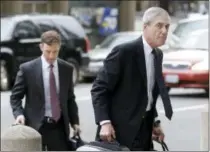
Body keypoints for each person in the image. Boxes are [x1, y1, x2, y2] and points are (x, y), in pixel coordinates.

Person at [91, 7, 173, 151]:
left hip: (144, 131)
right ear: (145, 27)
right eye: (159, 25)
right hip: (118, 133)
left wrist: (154, 123)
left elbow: (148, 94)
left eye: (167, 26)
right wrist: (104, 122)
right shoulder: (124, 52)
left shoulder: (158, 55)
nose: (164, 31)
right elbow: (99, 88)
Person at [10, 30, 81, 151]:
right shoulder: (27, 69)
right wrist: (19, 114)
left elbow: (70, 98)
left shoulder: (67, 69)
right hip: (35, 127)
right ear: (41, 47)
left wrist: (75, 122)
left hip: (59, 128)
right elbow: (15, 97)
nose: (52, 56)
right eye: (48, 52)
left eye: (55, 52)